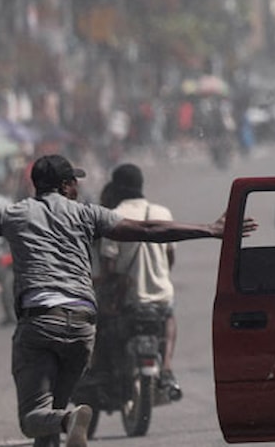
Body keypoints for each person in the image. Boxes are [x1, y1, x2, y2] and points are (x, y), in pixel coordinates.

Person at [0, 154, 254, 447]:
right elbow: (148, 229)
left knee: (33, 418)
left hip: (40, 323)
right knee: (52, 418)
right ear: (65, 186)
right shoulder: (87, 213)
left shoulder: (12, 213)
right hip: (82, 326)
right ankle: (66, 419)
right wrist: (209, 230)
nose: (77, 187)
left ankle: (67, 420)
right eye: (74, 181)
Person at [95, 163, 182, 397]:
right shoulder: (162, 213)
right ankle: (167, 367)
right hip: (161, 295)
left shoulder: (113, 216)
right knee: (170, 316)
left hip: (129, 298)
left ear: (116, 187)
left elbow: (109, 265)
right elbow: (170, 257)